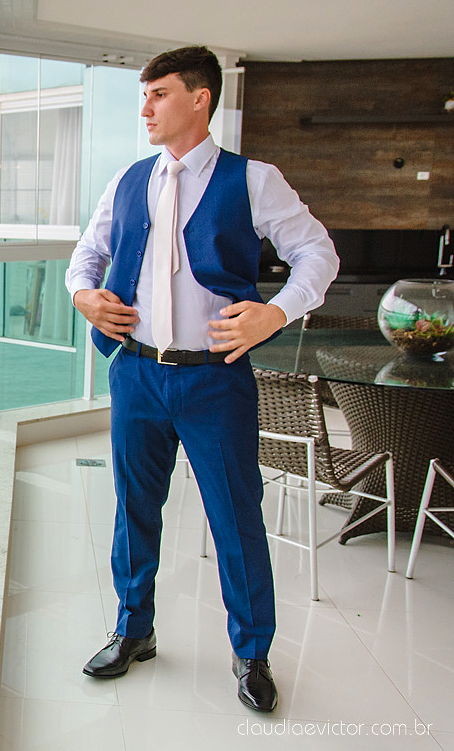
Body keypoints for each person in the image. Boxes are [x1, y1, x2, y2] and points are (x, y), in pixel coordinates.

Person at [66, 46, 339, 713]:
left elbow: (317, 252)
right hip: (136, 373)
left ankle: (252, 653)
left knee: (236, 517)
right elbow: (89, 252)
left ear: (200, 98)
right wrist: (82, 293)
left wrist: (274, 312)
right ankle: (135, 629)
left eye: (158, 94)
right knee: (133, 512)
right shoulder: (129, 179)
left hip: (215, 382)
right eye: (144, 94)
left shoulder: (253, 179)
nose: (145, 108)